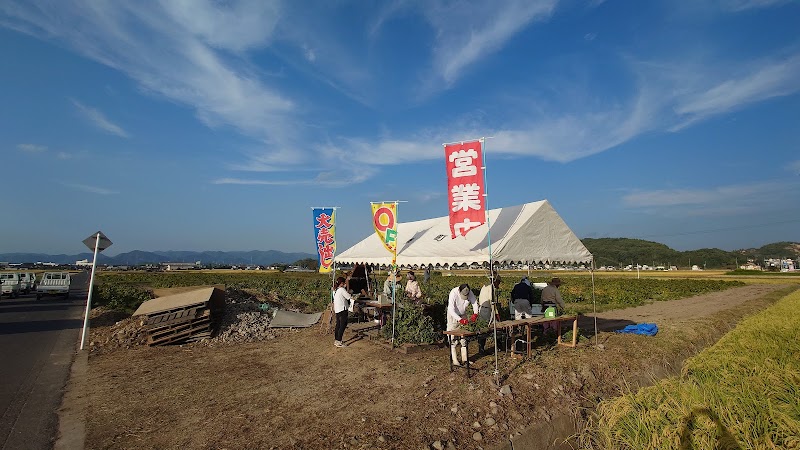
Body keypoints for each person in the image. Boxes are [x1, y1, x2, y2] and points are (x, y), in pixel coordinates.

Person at [446, 283, 477, 366]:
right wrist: (460, 320)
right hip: (453, 316)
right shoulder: (453, 293)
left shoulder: (469, 292)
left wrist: (475, 313)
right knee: (453, 338)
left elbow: (474, 302)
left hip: (463, 314)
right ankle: (455, 360)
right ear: (459, 291)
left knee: (464, 337)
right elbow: (451, 310)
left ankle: (465, 359)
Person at [477, 274, 501, 354]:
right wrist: (497, 314)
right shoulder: (491, 288)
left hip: (481, 308)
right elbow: (492, 302)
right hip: (487, 310)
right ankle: (498, 347)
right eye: (499, 282)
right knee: (494, 327)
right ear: (496, 281)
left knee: (483, 328)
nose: (499, 284)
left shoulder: (485, 286)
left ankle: (482, 348)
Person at [332, 276, 353, 348]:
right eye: (344, 283)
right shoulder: (341, 290)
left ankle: (336, 340)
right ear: (342, 283)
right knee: (342, 325)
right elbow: (348, 297)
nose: (345, 284)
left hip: (337, 309)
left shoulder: (336, 290)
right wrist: (350, 291)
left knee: (338, 324)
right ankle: (339, 341)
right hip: (342, 309)